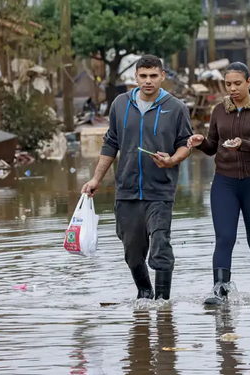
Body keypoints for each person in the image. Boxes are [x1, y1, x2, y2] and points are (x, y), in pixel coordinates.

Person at [81, 54, 193, 303]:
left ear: (163, 76)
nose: (148, 81)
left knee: (161, 246)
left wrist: (172, 160)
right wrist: (96, 179)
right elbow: (111, 142)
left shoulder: (176, 108)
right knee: (132, 251)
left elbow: (185, 144)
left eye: (154, 76)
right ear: (136, 77)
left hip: (160, 191)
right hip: (127, 191)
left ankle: (163, 304)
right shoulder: (120, 104)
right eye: (143, 76)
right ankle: (144, 294)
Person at [188, 62, 250, 305]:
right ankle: (219, 291)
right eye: (228, 84)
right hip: (224, 184)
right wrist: (200, 142)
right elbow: (212, 146)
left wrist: (243, 144)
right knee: (224, 238)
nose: (233, 88)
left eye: (238, 83)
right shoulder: (219, 110)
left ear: (249, 82)